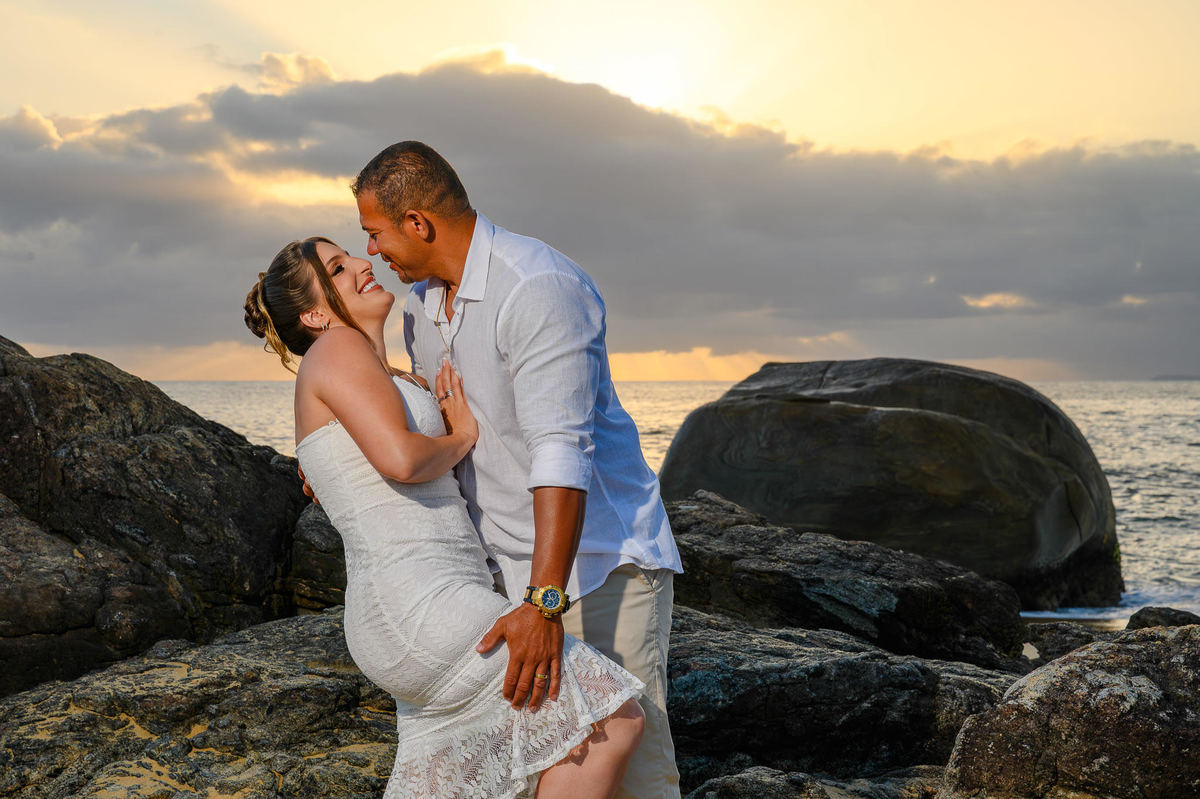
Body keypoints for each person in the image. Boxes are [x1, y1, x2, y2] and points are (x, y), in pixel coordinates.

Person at [244, 236, 645, 799]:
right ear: (314, 314)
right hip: (421, 603)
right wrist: (459, 435)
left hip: (414, 605)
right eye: (337, 269)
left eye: (352, 256)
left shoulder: (381, 371)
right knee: (610, 719)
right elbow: (404, 460)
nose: (362, 264)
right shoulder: (337, 348)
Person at [349, 141, 683, 799]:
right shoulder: (421, 306)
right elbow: (435, 413)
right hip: (505, 580)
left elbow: (562, 452)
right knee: (545, 772)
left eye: (375, 233)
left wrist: (544, 601)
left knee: (635, 770)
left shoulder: (538, 287)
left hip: (595, 569)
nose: (372, 252)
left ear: (418, 222)